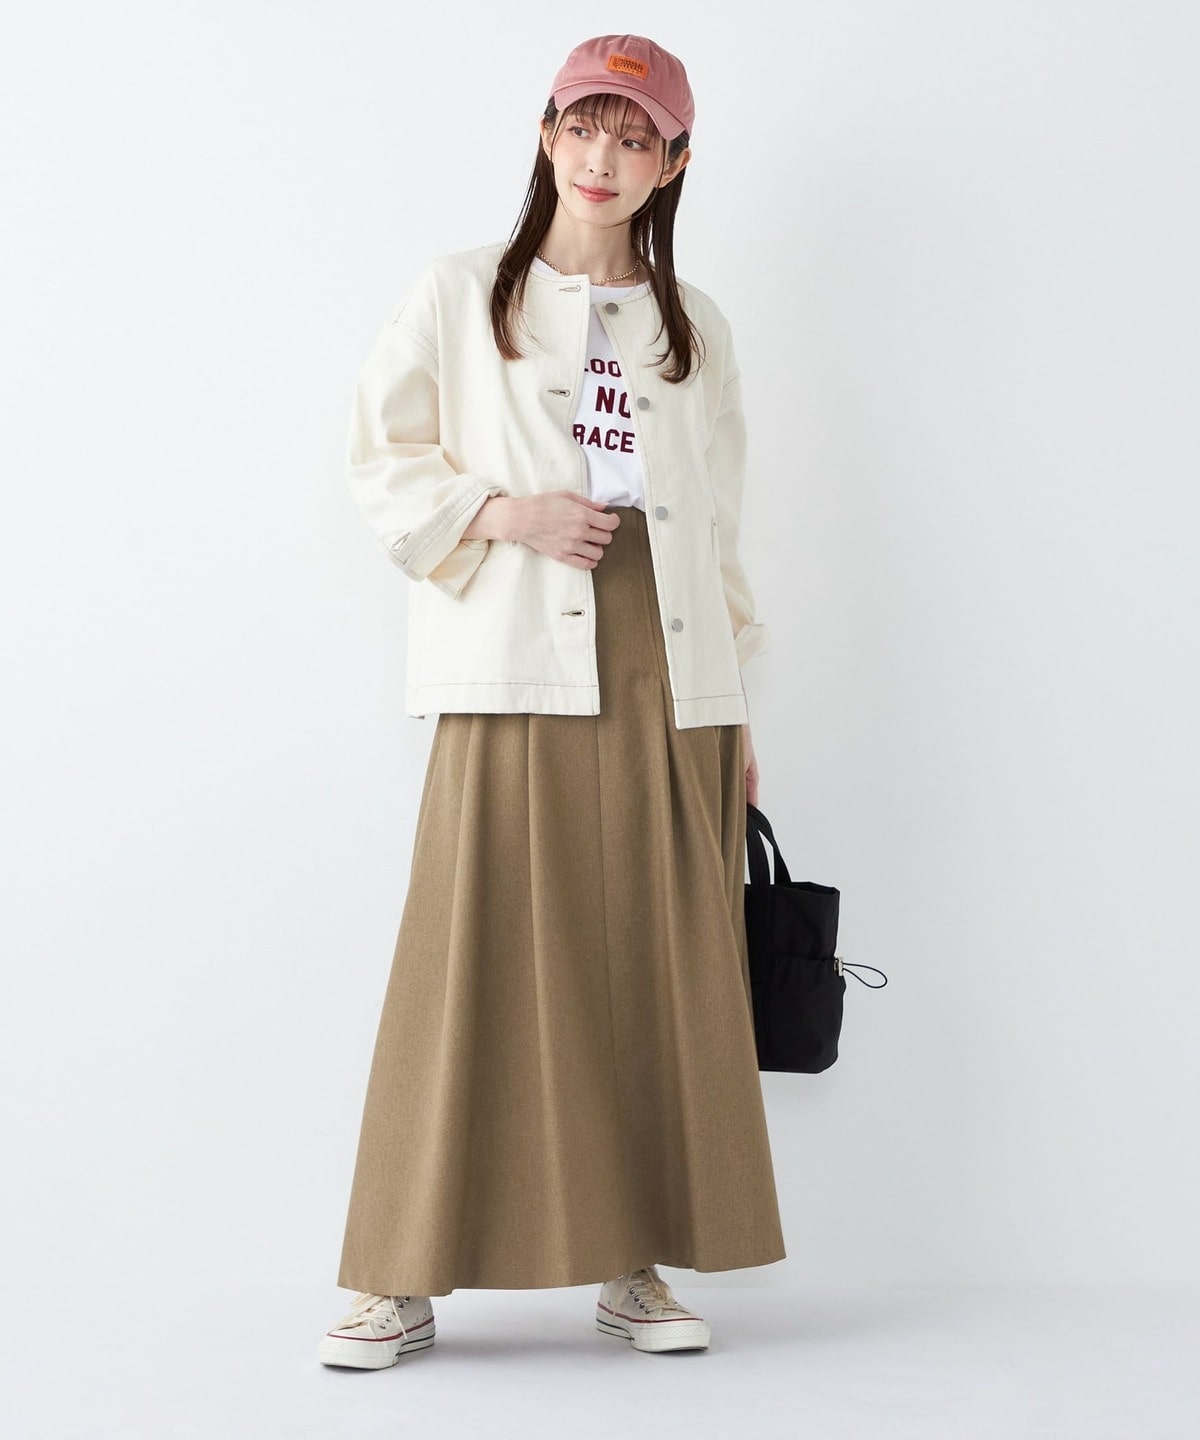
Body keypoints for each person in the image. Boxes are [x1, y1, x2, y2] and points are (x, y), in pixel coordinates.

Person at [317, 33, 786, 1369]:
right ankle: (394, 1277)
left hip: (666, 661)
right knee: (471, 957)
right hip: (516, 641)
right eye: (585, 127)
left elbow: (720, 525)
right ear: (546, 134)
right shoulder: (463, 293)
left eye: (636, 139)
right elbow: (379, 456)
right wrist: (503, 513)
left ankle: (633, 1264)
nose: (603, 158)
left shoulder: (695, 327)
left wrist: (736, 703)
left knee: (649, 961)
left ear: (673, 163)